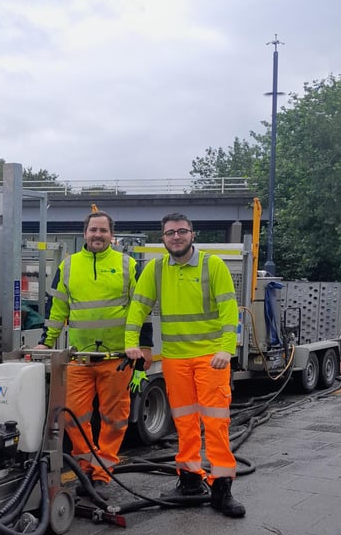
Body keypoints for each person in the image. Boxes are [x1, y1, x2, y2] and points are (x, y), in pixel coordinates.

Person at [124, 213, 245, 518]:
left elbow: (229, 308)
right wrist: (131, 341)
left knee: (216, 423)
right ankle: (190, 481)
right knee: (185, 423)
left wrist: (226, 349)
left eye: (181, 231)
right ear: (162, 238)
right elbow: (138, 305)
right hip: (176, 359)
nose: (175, 237)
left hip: (210, 358)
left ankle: (221, 488)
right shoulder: (156, 269)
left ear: (193, 234)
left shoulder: (211, 265)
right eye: (169, 233)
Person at [36, 208, 152, 491]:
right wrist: (46, 342)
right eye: (93, 230)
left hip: (117, 359)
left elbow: (141, 309)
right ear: (84, 234)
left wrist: (145, 345)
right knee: (73, 416)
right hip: (79, 358)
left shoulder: (128, 265)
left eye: (103, 230)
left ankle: (103, 470)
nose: (97, 234)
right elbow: (56, 310)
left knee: (114, 418)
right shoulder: (68, 266)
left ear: (112, 235)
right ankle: (84, 465)